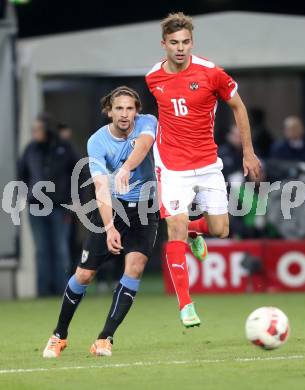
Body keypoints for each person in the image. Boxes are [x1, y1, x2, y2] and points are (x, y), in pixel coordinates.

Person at [145, 12, 261, 327]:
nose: (180, 48)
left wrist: (248, 152)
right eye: (173, 43)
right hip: (171, 166)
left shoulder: (212, 74)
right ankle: (186, 305)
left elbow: (238, 106)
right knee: (176, 228)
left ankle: (197, 230)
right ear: (164, 44)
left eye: (185, 42)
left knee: (221, 229)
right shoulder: (153, 78)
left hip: (208, 163)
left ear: (192, 42)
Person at [43, 86, 159, 358]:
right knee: (84, 274)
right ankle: (59, 334)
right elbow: (101, 187)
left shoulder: (147, 123)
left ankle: (105, 338)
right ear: (109, 111)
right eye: (119, 108)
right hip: (113, 208)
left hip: (145, 207)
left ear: (137, 111)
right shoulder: (97, 142)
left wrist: (127, 168)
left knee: (135, 267)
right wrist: (109, 228)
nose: (125, 114)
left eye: (130, 108)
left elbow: (143, 146)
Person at [18, 113, 79, 296]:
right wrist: (25, 193)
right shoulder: (30, 149)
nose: (34, 132)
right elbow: (22, 172)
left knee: (61, 249)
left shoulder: (65, 148)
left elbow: (79, 172)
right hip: (36, 206)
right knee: (42, 250)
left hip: (60, 207)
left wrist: (75, 199)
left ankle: (63, 291)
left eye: (38, 129)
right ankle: (43, 291)